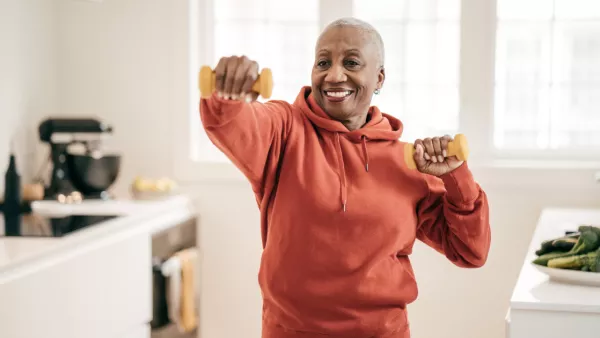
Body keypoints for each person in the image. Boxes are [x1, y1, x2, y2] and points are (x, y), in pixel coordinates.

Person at [199, 17, 491, 338]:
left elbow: (470, 251)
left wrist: (455, 177)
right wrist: (227, 95)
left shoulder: (407, 163)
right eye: (323, 62)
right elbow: (232, 124)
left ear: (378, 79)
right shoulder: (284, 130)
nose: (334, 75)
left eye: (351, 62)